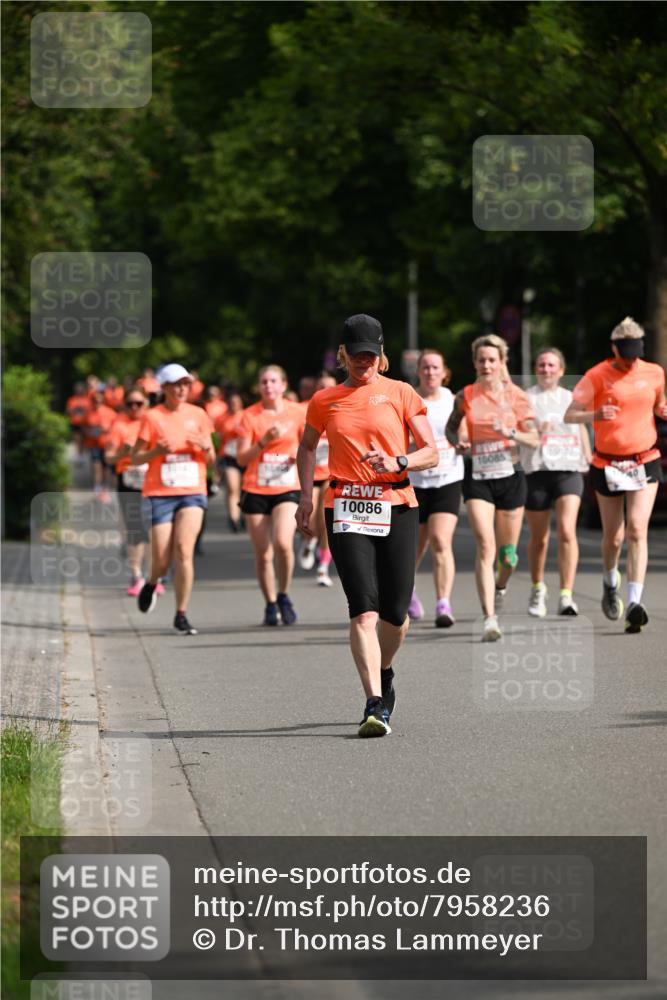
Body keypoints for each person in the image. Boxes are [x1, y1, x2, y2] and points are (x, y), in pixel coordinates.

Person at [296, 314, 437, 737]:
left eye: (370, 356)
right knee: (363, 610)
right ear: (343, 355)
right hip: (345, 506)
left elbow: (431, 451)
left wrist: (400, 461)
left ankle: (385, 669)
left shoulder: (401, 392)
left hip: (396, 504)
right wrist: (306, 495)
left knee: (396, 616)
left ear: (381, 355)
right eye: (356, 356)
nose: (364, 363)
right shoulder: (324, 400)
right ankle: (374, 703)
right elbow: (305, 449)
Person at [564, 317, 667, 633]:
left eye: (635, 352)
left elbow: (660, 404)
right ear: (614, 349)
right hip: (607, 463)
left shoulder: (654, 372)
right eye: (625, 352)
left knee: (637, 529)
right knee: (615, 536)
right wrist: (595, 413)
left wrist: (663, 410)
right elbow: (570, 414)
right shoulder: (597, 375)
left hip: (644, 460)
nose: (631, 358)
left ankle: (635, 602)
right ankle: (611, 582)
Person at [446, 334, 539, 642]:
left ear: (502, 363)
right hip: (478, 476)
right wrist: (456, 441)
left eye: (492, 360)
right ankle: (489, 618)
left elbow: (535, 438)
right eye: (481, 360)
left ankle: (501, 585)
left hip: (511, 476)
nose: (486, 365)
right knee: (486, 546)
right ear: (475, 363)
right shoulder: (466, 395)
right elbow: (451, 426)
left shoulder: (517, 396)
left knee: (508, 557)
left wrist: (511, 432)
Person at [131, 363, 215, 635]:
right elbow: (134, 458)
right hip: (160, 493)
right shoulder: (152, 417)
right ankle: (152, 581)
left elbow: (211, 459)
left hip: (192, 491)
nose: (182, 389)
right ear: (164, 388)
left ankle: (181, 614)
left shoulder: (199, 414)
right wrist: (156, 451)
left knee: (183, 550)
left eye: (186, 384)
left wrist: (205, 448)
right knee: (162, 558)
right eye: (176, 384)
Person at [521, 348, 591, 617]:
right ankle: (538, 588)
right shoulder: (526, 398)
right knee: (539, 538)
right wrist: (534, 429)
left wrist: (587, 456)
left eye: (551, 365)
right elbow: (518, 427)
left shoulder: (571, 398)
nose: (546, 369)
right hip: (537, 470)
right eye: (541, 365)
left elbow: (581, 426)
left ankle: (566, 594)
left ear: (561, 370)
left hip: (568, 469)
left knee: (567, 530)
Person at [236, 365, 305, 625]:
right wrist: (264, 441)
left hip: (287, 486)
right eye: (264, 382)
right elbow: (242, 458)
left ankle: (284, 593)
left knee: (283, 543)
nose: (268, 386)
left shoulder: (298, 413)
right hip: (256, 487)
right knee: (263, 553)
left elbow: (308, 447)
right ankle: (270, 602)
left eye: (273, 381)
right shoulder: (249, 416)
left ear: (283, 385)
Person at [408, 349, 465, 627]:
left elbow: (461, 432)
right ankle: (408, 591)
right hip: (415, 482)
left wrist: (463, 443)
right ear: (418, 371)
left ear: (444, 372)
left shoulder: (452, 400)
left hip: (447, 478)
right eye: (426, 367)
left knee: (441, 541)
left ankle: (443, 603)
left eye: (435, 368)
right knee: (414, 547)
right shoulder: (409, 400)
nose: (430, 372)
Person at [104, 387, 152, 595]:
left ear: (147, 404)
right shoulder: (119, 425)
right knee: (135, 528)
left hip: (153, 480)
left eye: (139, 403)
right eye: (130, 403)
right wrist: (121, 454)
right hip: (128, 480)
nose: (134, 408)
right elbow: (108, 457)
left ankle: (153, 574)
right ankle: (136, 574)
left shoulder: (154, 421)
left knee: (152, 529)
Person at [298, 371, 337, 586]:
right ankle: (307, 539)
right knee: (310, 519)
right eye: (321, 386)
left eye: (329, 386)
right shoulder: (307, 409)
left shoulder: (342, 407)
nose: (325, 390)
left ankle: (323, 566)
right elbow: (300, 442)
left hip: (332, 474)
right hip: (312, 473)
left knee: (325, 519)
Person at [216, 391, 246, 532]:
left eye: (236, 402)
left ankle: (244, 516)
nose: (234, 405)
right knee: (233, 488)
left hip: (245, 457)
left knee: (244, 489)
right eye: (232, 402)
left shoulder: (247, 416)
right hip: (229, 457)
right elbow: (218, 439)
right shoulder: (222, 419)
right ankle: (233, 519)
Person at [82, 388, 117, 501]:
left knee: (107, 469)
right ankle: (97, 489)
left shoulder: (110, 412)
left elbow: (116, 428)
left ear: (103, 400)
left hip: (107, 444)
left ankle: (105, 489)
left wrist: (107, 430)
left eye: (99, 399)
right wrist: (90, 432)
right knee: (96, 467)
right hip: (94, 444)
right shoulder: (89, 413)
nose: (97, 401)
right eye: (95, 399)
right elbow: (84, 427)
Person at [65, 382, 91, 456]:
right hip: (75, 423)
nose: (79, 390)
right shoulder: (72, 400)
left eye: (81, 389)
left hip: (85, 423)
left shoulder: (87, 400)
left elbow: (90, 411)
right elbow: (68, 411)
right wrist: (74, 410)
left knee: (85, 440)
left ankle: (84, 454)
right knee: (77, 439)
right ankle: (78, 455)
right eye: (77, 389)